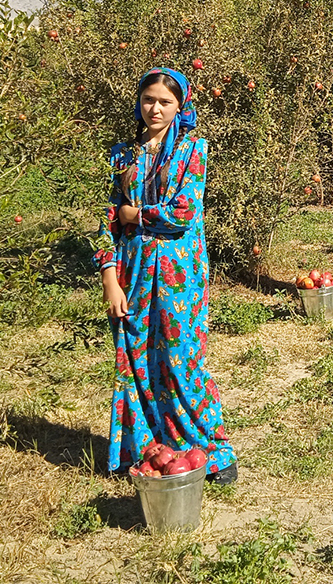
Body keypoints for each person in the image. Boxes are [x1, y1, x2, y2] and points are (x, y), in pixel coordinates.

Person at [93, 67, 237, 483]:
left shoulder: (194, 148)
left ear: (180, 106)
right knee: (136, 359)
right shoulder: (123, 155)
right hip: (132, 271)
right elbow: (107, 221)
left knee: (181, 360)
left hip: (179, 273)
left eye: (164, 102)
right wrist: (109, 279)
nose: (154, 108)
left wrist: (135, 214)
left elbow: (182, 213)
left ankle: (212, 450)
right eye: (148, 99)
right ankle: (148, 450)